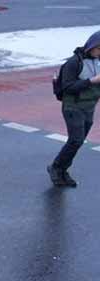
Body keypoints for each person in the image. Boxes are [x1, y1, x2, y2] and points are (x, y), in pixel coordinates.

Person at [49, 31, 100, 188]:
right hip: (73, 107)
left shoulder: (98, 61)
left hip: (89, 106)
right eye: (99, 48)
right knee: (76, 140)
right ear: (91, 45)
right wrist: (92, 81)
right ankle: (56, 168)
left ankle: (62, 170)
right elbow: (68, 87)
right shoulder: (74, 62)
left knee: (77, 142)